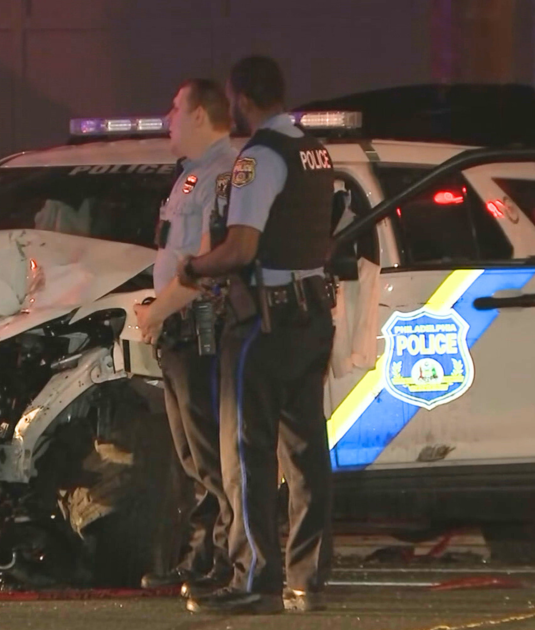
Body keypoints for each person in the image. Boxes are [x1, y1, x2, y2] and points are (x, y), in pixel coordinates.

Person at [177, 55, 336, 615]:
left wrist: (195, 268)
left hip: (264, 325)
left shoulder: (260, 158)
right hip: (312, 318)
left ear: (240, 98)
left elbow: (242, 247)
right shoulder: (316, 151)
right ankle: (308, 578)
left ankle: (255, 581)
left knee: (246, 455)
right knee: (306, 453)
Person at [134, 78, 238, 595]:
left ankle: (226, 562)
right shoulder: (192, 176)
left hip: (199, 329)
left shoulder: (222, 174)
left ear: (200, 115)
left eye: (175, 107)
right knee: (192, 455)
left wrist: (160, 310)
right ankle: (202, 557)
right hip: (176, 327)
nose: (167, 116)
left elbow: (205, 263)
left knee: (210, 452)